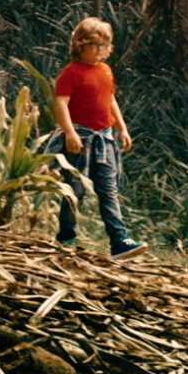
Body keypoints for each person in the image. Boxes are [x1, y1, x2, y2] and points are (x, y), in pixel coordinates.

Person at [53, 17, 147, 259]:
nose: (100, 50)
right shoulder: (71, 72)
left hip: (104, 139)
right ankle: (66, 237)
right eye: (94, 44)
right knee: (75, 190)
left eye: (104, 45)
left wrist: (122, 128)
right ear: (80, 44)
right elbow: (61, 103)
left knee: (109, 189)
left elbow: (110, 99)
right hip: (80, 139)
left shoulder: (105, 70)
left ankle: (119, 241)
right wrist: (70, 133)